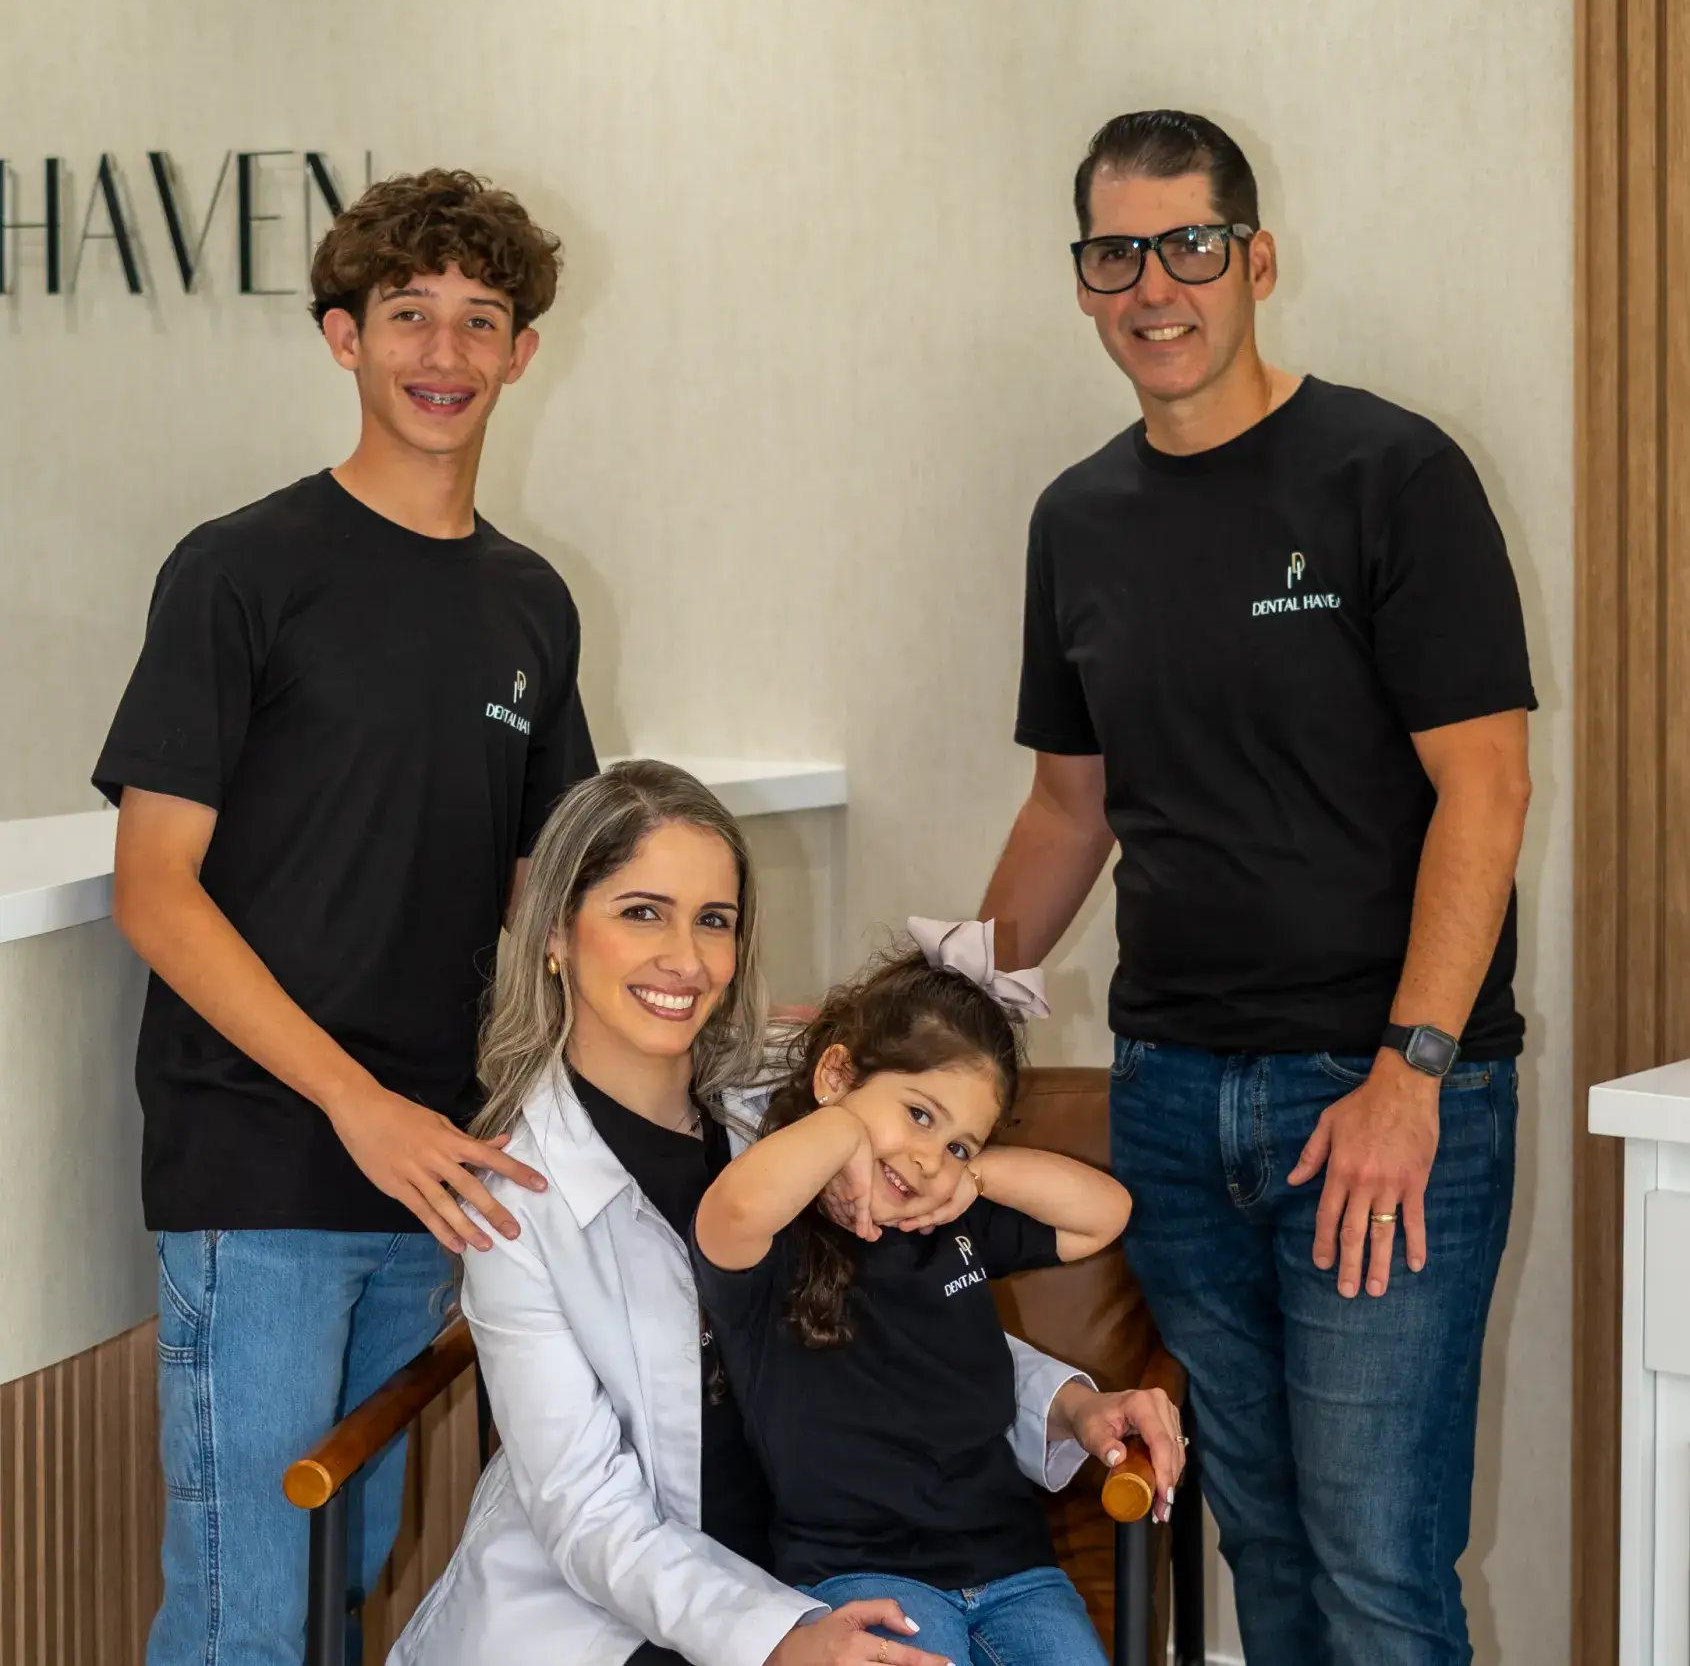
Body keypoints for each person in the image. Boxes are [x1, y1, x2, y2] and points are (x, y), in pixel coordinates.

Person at [978, 110, 1535, 1666]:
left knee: (1375, 1568)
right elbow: (1063, 809)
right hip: (1170, 1099)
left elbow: (1482, 789)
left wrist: (1410, 1073)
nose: (1154, 284)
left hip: (1375, 1100)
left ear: (1254, 258)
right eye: (1115, 253)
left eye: (1188, 245)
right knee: (1267, 1551)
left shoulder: (1390, 473)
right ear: (1083, 282)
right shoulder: (1076, 519)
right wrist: (936, 1018)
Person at [93, 169, 596, 1666]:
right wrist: (355, 1103)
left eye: (478, 318)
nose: (442, 351)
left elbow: (543, 892)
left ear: (520, 351)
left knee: (338, 1588)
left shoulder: (530, 603)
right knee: (247, 1615)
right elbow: (152, 887)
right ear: (342, 337)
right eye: (406, 314)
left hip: (427, 1172)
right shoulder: (242, 569)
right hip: (260, 1159)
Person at [391, 761, 1182, 1666]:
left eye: (714, 921)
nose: (685, 960)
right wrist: (778, 1639)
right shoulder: (512, 1200)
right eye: (641, 911)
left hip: (831, 1569)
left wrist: (1071, 1404)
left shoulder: (784, 1105)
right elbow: (587, 1514)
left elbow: (899, 1318)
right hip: (637, 1611)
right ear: (556, 934)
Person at [691, 922, 1167, 1666]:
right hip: (858, 1575)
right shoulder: (772, 1238)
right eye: (917, 1113)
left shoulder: (950, 1220)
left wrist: (975, 1175)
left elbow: (1105, 1214)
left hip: (1016, 1571)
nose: (925, 1157)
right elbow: (733, 1212)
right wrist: (844, 1129)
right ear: (837, 1075)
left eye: (957, 1141)